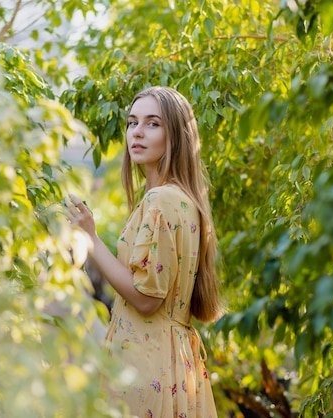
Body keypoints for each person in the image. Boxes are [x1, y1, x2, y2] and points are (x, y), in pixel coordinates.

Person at [64, 86, 223, 417]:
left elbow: (146, 298)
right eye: (132, 122)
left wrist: (90, 237)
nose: (137, 132)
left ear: (175, 136)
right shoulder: (181, 200)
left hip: (147, 362)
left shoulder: (161, 200)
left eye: (153, 123)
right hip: (174, 361)